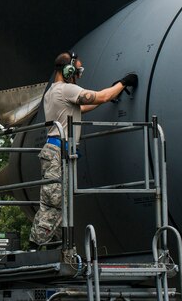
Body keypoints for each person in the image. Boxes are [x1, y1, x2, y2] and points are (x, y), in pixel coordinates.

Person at [29, 51, 138, 248]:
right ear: (68, 69)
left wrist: (107, 97)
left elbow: (81, 107)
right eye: (77, 70)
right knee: (54, 203)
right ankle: (37, 247)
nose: (79, 74)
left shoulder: (53, 91)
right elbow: (101, 97)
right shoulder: (66, 89)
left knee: (55, 202)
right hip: (58, 155)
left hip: (55, 152)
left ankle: (49, 245)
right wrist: (123, 83)